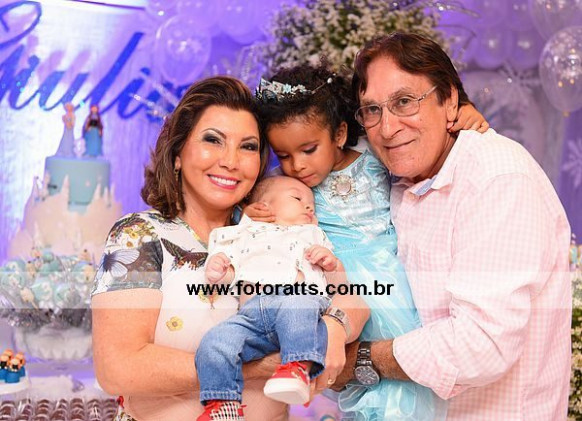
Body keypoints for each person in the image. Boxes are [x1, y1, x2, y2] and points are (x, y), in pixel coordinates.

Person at [91, 76, 368, 421]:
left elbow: (352, 300)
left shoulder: (280, 229)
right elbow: (119, 367)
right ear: (177, 153)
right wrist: (259, 367)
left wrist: (334, 329)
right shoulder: (141, 235)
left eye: (248, 147)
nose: (231, 161)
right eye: (213, 140)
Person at [329, 32, 572, 421]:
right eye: (372, 109)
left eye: (404, 102)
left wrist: (361, 360)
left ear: (451, 101)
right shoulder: (396, 176)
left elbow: (482, 345)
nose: (387, 128)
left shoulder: (496, 178)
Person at [246, 61, 487, 420]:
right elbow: (261, 215)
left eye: (308, 149)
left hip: (391, 281)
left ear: (339, 133)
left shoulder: (375, 156)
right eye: (284, 155)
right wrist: (253, 215)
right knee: (357, 382)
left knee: (400, 382)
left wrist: (464, 113)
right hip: (337, 287)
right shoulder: (284, 184)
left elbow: (423, 145)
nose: (296, 165)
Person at [195, 175, 361, 420]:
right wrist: (218, 269)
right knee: (215, 342)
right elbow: (230, 274)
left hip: (300, 307)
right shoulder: (244, 234)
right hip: (252, 317)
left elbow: (339, 288)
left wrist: (331, 264)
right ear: (263, 206)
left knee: (297, 303)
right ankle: (223, 404)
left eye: (312, 206)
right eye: (297, 198)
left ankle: (297, 368)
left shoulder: (313, 235)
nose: (308, 207)